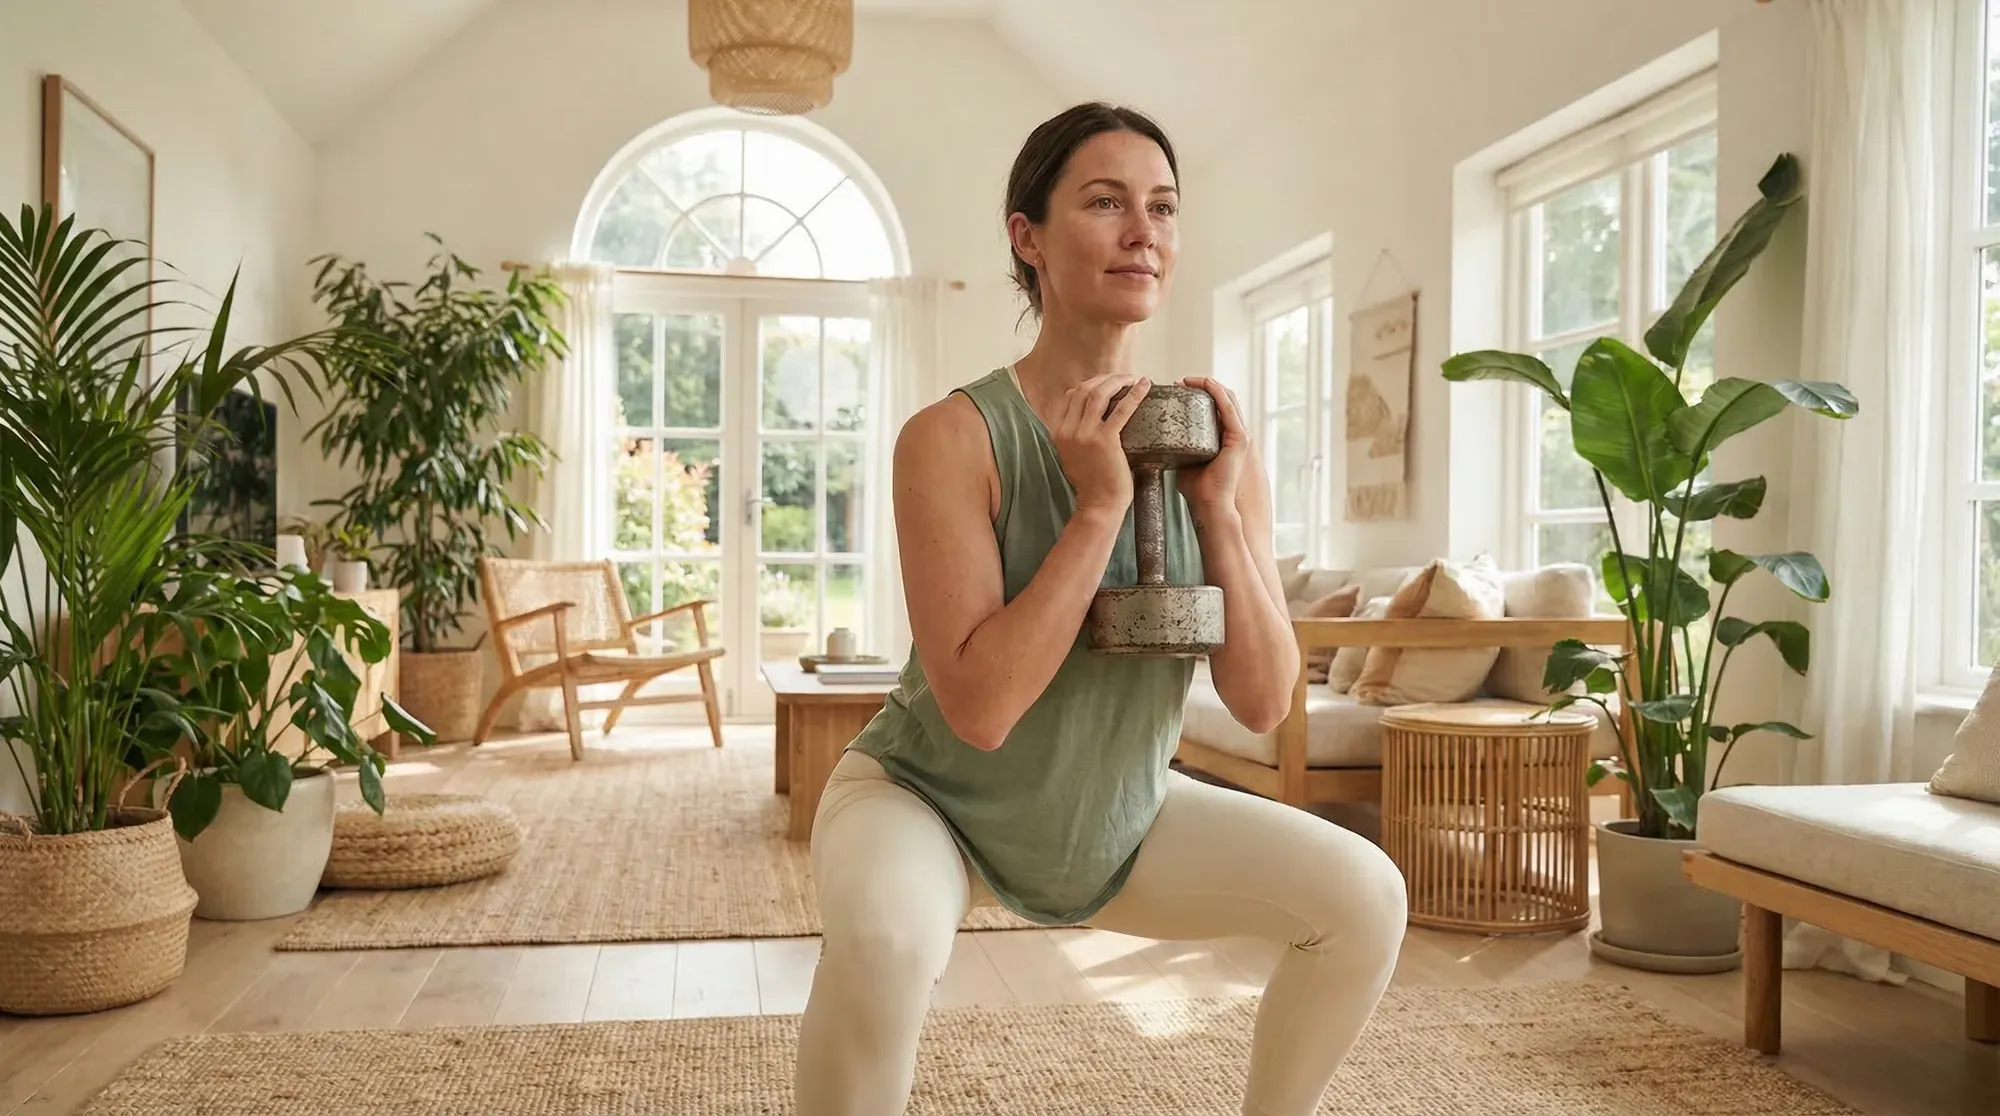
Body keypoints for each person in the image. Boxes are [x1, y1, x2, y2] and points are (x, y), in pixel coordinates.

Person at [793, 102, 1409, 1116]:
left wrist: (1213, 507)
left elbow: (1261, 701)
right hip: (926, 802)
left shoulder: (1209, 440)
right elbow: (981, 712)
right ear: (1025, 236)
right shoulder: (948, 438)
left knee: (1362, 897)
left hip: (1114, 814)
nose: (1143, 232)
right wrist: (1100, 507)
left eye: (1162, 208)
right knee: (885, 942)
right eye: (1104, 202)